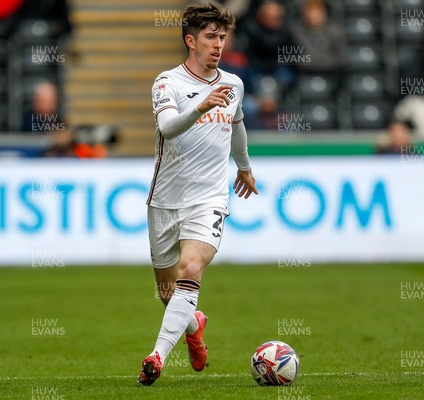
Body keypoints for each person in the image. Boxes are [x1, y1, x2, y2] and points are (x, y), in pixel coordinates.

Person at [139, 3, 258, 386]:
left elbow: (237, 127)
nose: (218, 45)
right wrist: (199, 106)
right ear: (190, 41)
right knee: (166, 290)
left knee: (191, 270)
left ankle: (157, 356)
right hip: (164, 200)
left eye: (222, 37)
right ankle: (194, 325)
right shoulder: (167, 82)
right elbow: (169, 127)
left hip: (209, 198)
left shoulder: (234, 84)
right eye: (210, 37)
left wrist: (243, 165)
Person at [289, 0, 346, 75]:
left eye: (316, 12)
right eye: (309, 12)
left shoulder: (336, 32)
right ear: (303, 14)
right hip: (304, 74)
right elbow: (291, 58)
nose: (312, 16)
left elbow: (342, 59)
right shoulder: (296, 33)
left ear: (323, 13)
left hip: (331, 74)